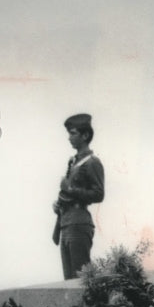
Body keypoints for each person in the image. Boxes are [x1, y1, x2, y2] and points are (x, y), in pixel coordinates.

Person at [53, 113, 105, 280]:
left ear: (85, 135)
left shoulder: (92, 162)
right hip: (66, 223)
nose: (69, 138)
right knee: (69, 280)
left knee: (80, 280)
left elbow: (98, 194)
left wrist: (69, 189)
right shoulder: (73, 162)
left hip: (79, 223)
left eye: (73, 133)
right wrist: (59, 205)